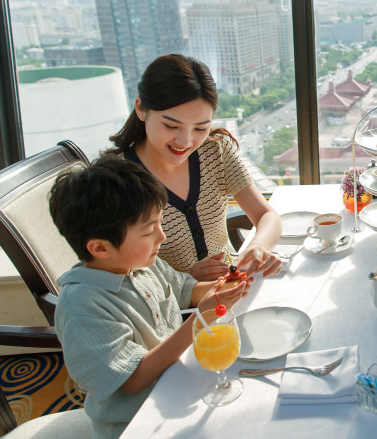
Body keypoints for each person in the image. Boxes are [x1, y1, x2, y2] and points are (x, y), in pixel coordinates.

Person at [49, 155, 262, 438]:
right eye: (149, 231)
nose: (161, 237)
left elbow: (186, 290)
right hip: (138, 421)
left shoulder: (139, 264)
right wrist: (202, 318)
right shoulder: (81, 307)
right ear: (100, 248)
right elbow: (134, 379)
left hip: (177, 385)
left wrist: (222, 289)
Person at [107, 54, 282, 281]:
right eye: (171, 126)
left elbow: (267, 216)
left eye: (200, 128)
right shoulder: (115, 180)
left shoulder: (214, 150)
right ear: (141, 109)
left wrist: (257, 247)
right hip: (170, 310)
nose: (185, 142)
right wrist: (185, 279)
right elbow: (115, 273)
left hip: (228, 289)